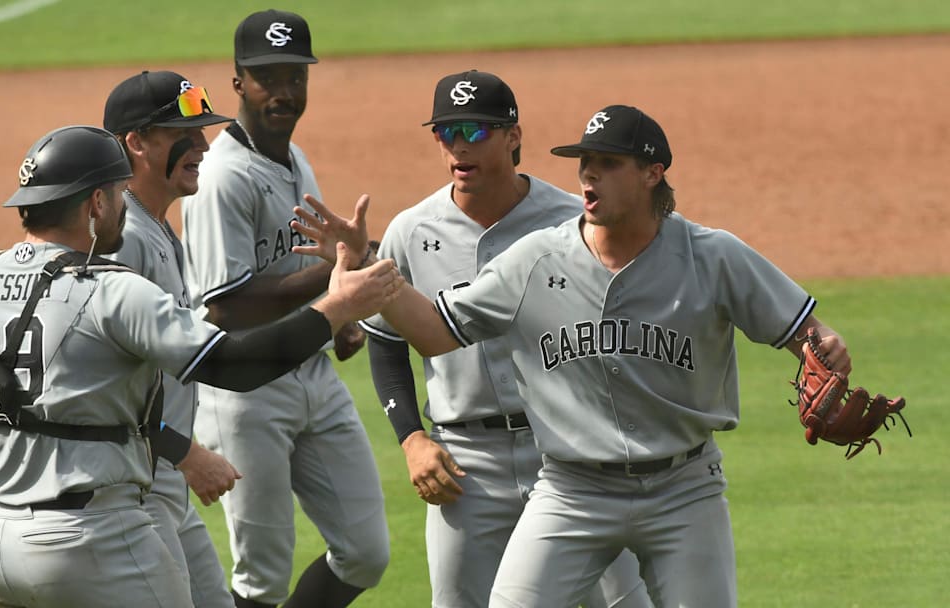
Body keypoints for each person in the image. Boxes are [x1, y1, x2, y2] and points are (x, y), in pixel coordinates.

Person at [292, 104, 853, 608]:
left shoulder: (714, 256)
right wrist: (368, 264)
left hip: (684, 492)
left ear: (653, 173)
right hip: (571, 490)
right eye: (585, 162)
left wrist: (825, 349)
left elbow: (807, 332)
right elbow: (436, 331)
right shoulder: (536, 258)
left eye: (608, 163)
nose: (588, 174)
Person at [0, 124, 401, 607]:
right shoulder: (110, 290)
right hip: (94, 542)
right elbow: (233, 365)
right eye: (118, 192)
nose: (123, 203)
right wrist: (338, 306)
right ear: (96, 204)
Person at [359, 70, 650, 608]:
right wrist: (411, 437)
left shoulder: (572, 220)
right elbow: (385, 340)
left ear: (513, 137)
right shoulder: (411, 231)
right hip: (466, 463)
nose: (458, 146)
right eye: (447, 133)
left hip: (571, 453)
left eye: (475, 131)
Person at [180, 9, 388, 608]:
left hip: (312, 374)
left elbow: (293, 275)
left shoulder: (295, 161)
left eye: (295, 77)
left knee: (366, 551)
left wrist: (338, 317)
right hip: (245, 391)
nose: (285, 92)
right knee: (262, 577)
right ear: (239, 81)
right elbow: (227, 307)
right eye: (268, 77)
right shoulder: (223, 177)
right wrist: (336, 282)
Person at [102, 69, 239, 607]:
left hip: (163, 480)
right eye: (183, 134)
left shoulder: (156, 228)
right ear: (136, 143)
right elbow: (104, 383)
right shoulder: (125, 241)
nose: (202, 145)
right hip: (134, 485)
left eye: (203, 131)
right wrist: (185, 452)